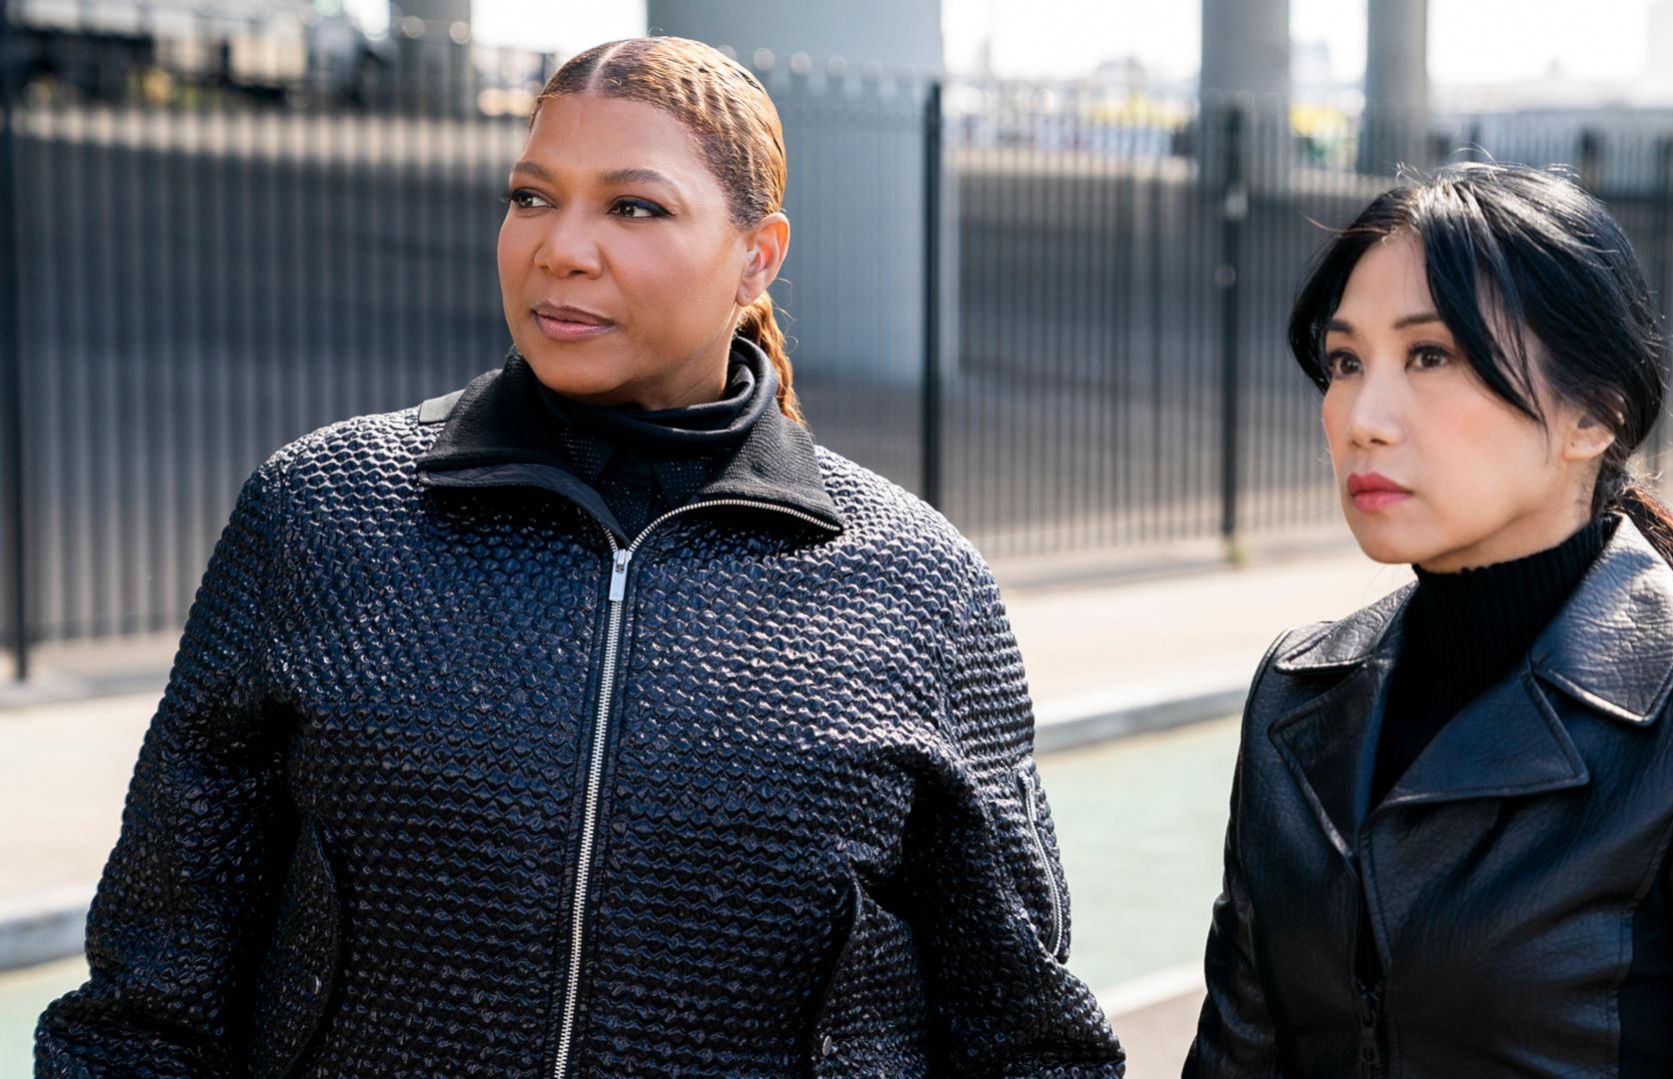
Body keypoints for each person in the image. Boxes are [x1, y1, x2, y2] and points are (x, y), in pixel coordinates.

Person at [37, 36, 1122, 1077]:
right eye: (531, 196)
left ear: (757, 256)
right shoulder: (323, 511)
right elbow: (148, 999)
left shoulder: (919, 583)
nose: (559, 246)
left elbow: (1026, 1039)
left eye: (633, 206)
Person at [1184, 162, 1673, 1077]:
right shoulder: (1296, 691)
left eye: (1430, 356)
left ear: (1594, 411)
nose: (1362, 419)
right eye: (1346, 362)